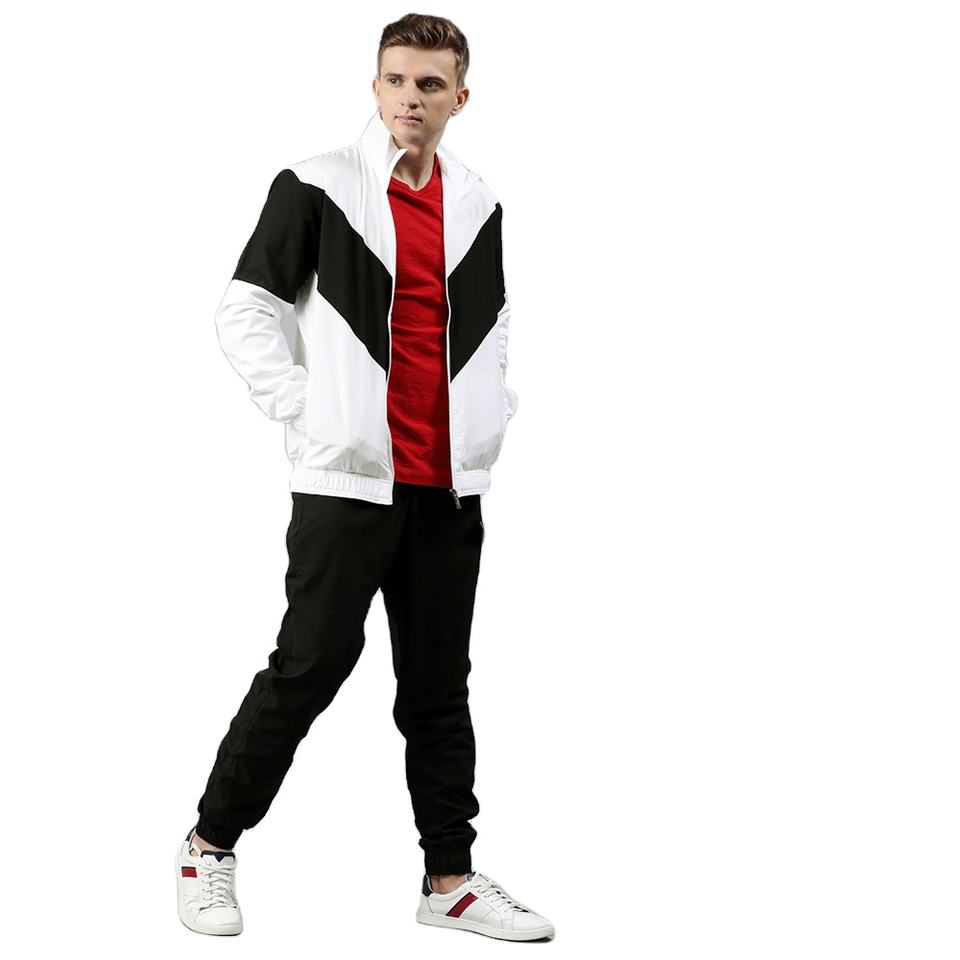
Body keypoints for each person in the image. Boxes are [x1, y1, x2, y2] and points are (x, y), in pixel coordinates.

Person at [174, 13, 554, 943]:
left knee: (438, 687)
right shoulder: (318, 185)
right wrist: (308, 413)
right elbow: (244, 310)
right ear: (375, 87)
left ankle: (449, 879)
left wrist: (493, 413)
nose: (410, 99)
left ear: (460, 96)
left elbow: (493, 321)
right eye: (395, 80)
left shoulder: (479, 201)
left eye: (430, 84)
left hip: (447, 489)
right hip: (348, 484)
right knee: (308, 668)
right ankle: (208, 848)